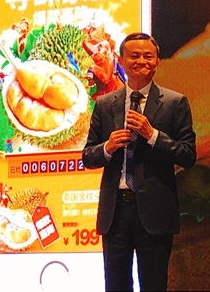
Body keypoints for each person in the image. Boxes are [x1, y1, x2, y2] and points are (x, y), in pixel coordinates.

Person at [82, 32, 197, 291]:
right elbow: (87, 156)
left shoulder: (174, 103)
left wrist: (152, 135)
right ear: (121, 60)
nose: (141, 61)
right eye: (134, 56)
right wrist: (108, 147)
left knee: (154, 285)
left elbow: (188, 155)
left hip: (155, 211)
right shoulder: (105, 104)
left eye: (148, 56)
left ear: (157, 62)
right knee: (116, 285)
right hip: (115, 213)